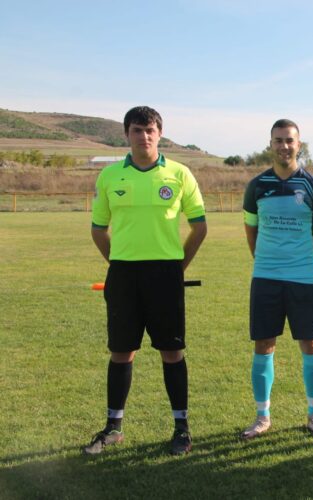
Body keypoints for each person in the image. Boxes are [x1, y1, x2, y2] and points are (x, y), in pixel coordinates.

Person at [84, 106, 207, 455]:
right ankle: (113, 427)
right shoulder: (109, 177)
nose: (145, 136)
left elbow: (200, 227)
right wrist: (119, 263)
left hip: (166, 273)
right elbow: (98, 229)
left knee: (172, 350)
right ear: (126, 135)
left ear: (160, 134)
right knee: (121, 351)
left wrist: (177, 266)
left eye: (151, 130)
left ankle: (181, 429)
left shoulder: (179, 174)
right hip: (123, 273)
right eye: (137, 130)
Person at [240, 119, 313, 440]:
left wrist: (305, 262)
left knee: (310, 343)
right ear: (270, 145)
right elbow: (251, 231)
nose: (284, 146)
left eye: (289, 140)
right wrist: (266, 261)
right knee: (264, 345)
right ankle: (262, 416)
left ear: (299, 144)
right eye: (278, 140)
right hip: (265, 275)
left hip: (304, 276)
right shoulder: (257, 185)